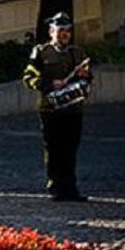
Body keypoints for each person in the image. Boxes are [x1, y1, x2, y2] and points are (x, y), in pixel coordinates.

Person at [22, 12, 93, 202]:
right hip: (50, 110)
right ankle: (55, 186)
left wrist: (85, 75)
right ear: (51, 31)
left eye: (68, 31)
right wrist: (50, 84)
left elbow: (87, 79)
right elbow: (29, 78)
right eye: (61, 31)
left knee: (70, 149)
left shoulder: (77, 52)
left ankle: (71, 188)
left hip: (73, 109)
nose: (65, 35)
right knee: (54, 149)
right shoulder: (42, 52)